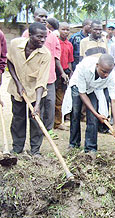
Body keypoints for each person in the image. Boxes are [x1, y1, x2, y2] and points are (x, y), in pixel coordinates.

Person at [22, 8, 68, 140]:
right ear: (34, 17)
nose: (43, 19)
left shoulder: (52, 36)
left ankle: (48, 129)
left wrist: (62, 73)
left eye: (45, 17)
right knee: (37, 106)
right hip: (33, 79)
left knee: (50, 103)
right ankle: (36, 131)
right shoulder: (27, 34)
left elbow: (56, 57)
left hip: (50, 78)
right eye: (40, 16)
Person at [7, 22, 51, 155]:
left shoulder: (45, 54)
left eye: (45, 37)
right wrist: (18, 83)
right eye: (39, 37)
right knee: (18, 120)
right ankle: (17, 148)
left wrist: (37, 104)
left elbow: (41, 81)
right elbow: (10, 62)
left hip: (36, 93)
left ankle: (35, 151)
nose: (42, 40)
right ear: (30, 35)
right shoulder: (15, 44)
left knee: (36, 122)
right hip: (17, 90)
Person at [62, 54, 115, 153]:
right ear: (97, 65)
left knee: (93, 117)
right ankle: (74, 144)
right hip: (78, 86)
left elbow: (114, 101)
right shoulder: (84, 68)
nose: (106, 75)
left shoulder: (112, 76)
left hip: (94, 88)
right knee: (75, 113)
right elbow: (82, 93)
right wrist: (97, 114)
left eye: (108, 72)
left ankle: (90, 148)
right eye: (104, 71)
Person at [54, 22, 74, 131]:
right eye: (63, 29)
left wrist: (69, 74)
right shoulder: (55, 42)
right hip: (55, 73)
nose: (65, 32)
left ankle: (58, 122)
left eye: (67, 30)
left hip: (64, 74)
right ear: (58, 29)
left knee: (60, 99)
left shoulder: (69, 44)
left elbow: (70, 61)